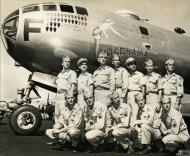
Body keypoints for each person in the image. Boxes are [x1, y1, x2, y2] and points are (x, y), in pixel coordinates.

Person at [54, 56, 77, 123]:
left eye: (68, 62)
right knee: (57, 113)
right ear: (62, 63)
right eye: (65, 61)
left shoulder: (72, 73)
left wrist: (70, 96)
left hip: (65, 95)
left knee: (64, 114)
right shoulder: (60, 73)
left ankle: (64, 130)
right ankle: (57, 128)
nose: (67, 63)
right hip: (58, 95)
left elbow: (73, 85)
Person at [126, 57, 145, 122]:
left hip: (136, 95)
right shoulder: (126, 75)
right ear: (128, 66)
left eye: (134, 63)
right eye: (131, 64)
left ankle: (136, 130)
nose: (133, 65)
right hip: (128, 95)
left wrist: (142, 98)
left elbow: (143, 87)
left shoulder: (139, 74)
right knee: (129, 112)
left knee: (135, 113)